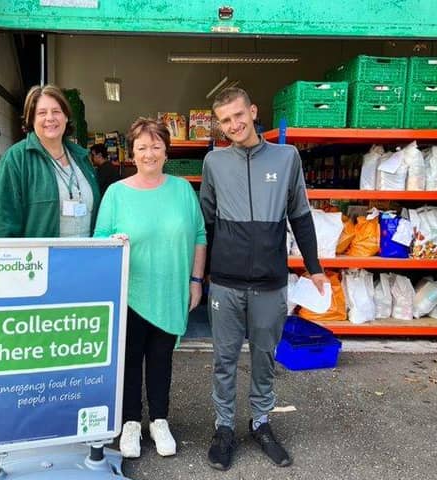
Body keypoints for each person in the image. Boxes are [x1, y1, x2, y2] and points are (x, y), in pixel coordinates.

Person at [199, 87, 326, 470]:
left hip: (271, 282)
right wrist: (198, 276)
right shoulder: (214, 163)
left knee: (264, 357)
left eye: (239, 115)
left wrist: (314, 266)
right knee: (223, 358)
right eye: (225, 120)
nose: (234, 124)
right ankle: (224, 428)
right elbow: (204, 223)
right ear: (219, 125)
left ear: (253, 111)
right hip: (225, 281)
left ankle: (261, 422)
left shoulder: (287, 158)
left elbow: (300, 215)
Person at [94, 117, 206, 459]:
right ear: (132, 152)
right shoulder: (116, 193)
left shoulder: (182, 190)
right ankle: (129, 422)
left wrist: (196, 280)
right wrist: (112, 241)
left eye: (156, 146)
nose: (149, 153)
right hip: (130, 291)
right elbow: (98, 240)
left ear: (166, 151)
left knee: (161, 360)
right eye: (142, 147)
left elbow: (200, 236)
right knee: (128, 360)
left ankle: (159, 420)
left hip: (170, 289)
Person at [0, 84, 101, 238]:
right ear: (31, 119)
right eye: (42, 113)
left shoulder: (82, 158)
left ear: (66, 116)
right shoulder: (16, 160)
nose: (50, 118)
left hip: (85, 259)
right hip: (42, 260)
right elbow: (0, 224)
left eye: (56, 111)